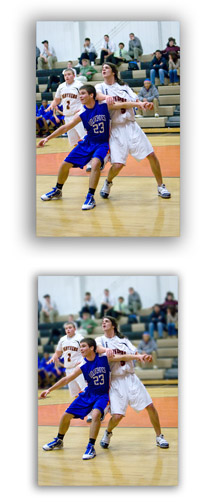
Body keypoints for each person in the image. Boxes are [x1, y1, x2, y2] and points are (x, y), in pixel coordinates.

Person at [38, 84, 147, 210]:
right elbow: (65, 127)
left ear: (91, 95)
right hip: (88, 142)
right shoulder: (82, 112)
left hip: (102, 143)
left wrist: (139, 105)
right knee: (64, 164)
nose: (80, 96)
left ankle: (90, 196)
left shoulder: (104, 106)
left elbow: (122, 104)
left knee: (95, 164)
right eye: (79, 94)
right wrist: (47, 138)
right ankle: (58, 190)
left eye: (83, 93)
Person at [40, 337, 145, 459]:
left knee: (95, 415)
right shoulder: (83, 364)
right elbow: (67, 379)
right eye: (80, 347)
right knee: (65, 415)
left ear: (92, 348)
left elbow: (123, 357)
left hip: (102, 395)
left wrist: (138, 357)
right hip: (88, 393)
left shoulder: (104, 358)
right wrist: (49, 389)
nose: (81, 349)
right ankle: (59, 440)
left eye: (84, 346)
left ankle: (91, 446)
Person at [95, 63, 171, 200]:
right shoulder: (100, 87)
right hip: (116, 128)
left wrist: (144, 104)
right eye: (103, 68)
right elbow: (98, 95)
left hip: (131, 125)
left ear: (113, 71)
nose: (104, 69)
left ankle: (161, 186)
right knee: (117, 165)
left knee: (151, 155)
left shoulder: (124, 87)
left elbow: (136, 99)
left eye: (107, 67)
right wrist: (106, 98)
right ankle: (108, 182)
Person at [96, 316, 169, 450]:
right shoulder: (100, 340)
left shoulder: (123, 340)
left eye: (107, 321)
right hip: (115, 380)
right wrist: (106, 350)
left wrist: (144, 356)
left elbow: (135, 352)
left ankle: (159, 436)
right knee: (117, 417)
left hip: (130, 377)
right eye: (103, 322)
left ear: (113, 325)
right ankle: (108, 432)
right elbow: (100, 350)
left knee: (150, 406)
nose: (103, 323)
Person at [43, 68, 86, 147]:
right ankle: (79, 157)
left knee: (84, 139)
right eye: (65, 75)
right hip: (67, 116)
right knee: (74, 142)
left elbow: (86, 99)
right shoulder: (61, 86)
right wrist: (52, 105)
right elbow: (56, 100)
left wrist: (83, 109)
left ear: (74, 75)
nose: (67, 76)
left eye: (69, 74)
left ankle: (90, 158)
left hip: (78, 115)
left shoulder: (79, 85)